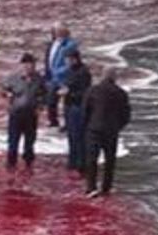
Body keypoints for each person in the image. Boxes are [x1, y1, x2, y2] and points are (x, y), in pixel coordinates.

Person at [83, 66, 132, 197]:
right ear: (114, 77)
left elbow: (85, 110)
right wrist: (118, 126)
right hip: (111, 130)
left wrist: (87, 125)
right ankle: (106, 188)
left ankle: (91, 187)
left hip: (94, 128)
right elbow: (126, 115)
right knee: (110, 160)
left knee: (91, 158)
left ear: (102, 76)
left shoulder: (93, 90)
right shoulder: (121, 93)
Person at [0, 53, 45, 170]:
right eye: (27, 65)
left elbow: (44, 94)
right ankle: (11, 164)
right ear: (22, 65)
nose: (30, 67)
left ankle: (29, 163)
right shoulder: (13, 77)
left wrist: (41, 106)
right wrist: (7, 94)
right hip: (16, 114)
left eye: (32, 65)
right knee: (13, 141)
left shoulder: (39, 78)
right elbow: (3, 89)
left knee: (30, 141)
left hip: (31, 115)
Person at [62, 49, 93, 173]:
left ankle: (81, 164)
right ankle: (72, 162)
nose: (65, 62)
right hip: (69, 106)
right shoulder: (70, 71)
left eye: (67, 59)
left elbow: (85, 93)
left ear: (74, 59)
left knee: (79, 136)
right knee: (71, 136)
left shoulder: (83, 72)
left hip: (78, 107)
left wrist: (69, 93)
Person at [43, 22, 77, 127]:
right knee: (51, 101)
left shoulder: (70, 44)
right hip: (53, 77)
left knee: (67, 101)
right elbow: (48, 59)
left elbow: (70, 61)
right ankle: (53, 122)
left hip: (64, 77)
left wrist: (59, 71)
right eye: (56, 30)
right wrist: (47, 73)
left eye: (60, 30)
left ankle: (68, 124)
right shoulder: (52, 43)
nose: (58, 32)